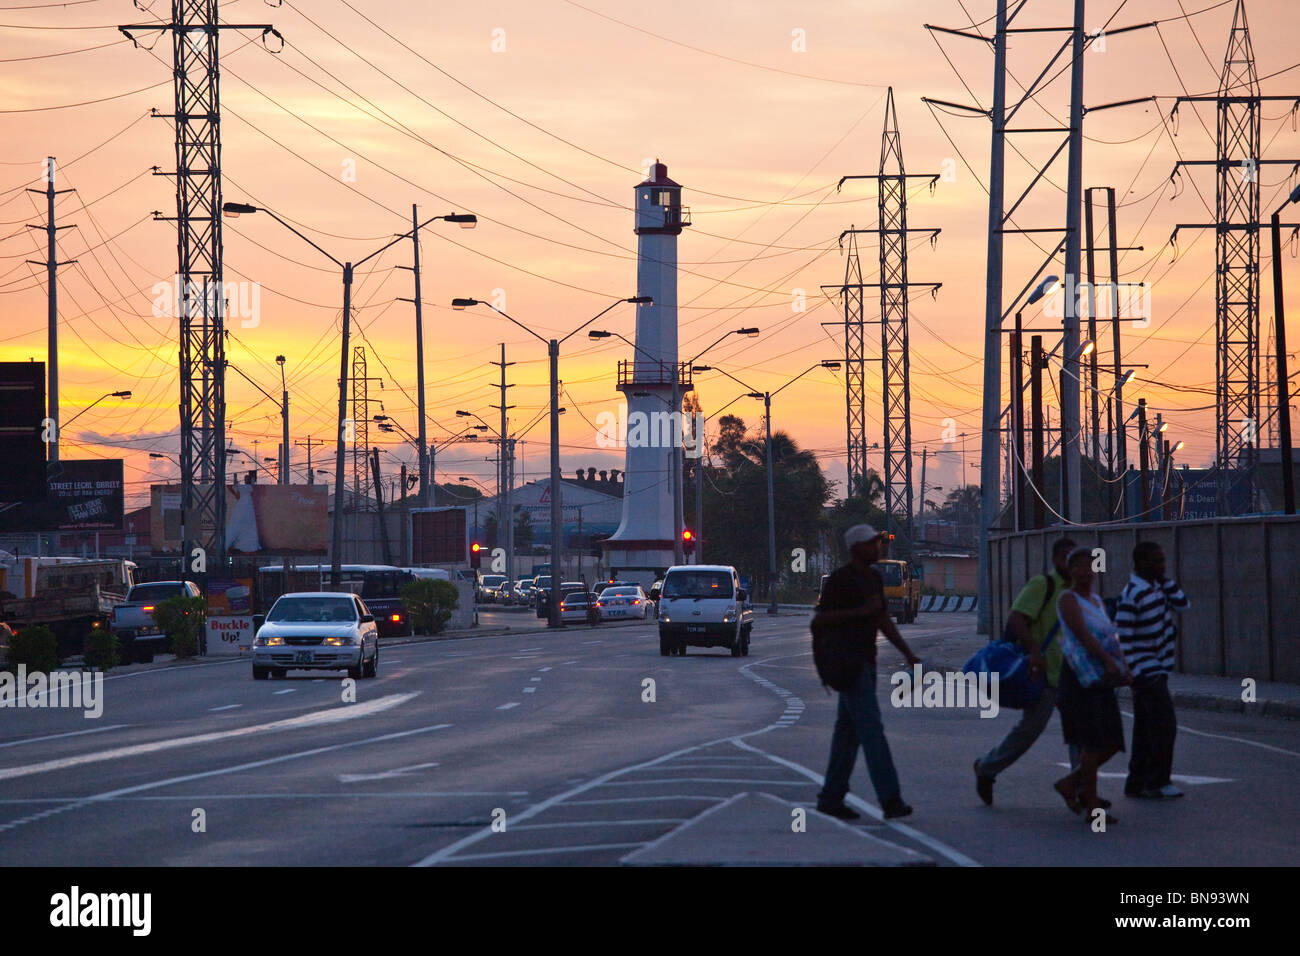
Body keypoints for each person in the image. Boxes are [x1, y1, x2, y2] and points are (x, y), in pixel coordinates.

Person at [814, 524, 922, 821]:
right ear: (856, 548)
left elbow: (882, 620)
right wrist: (859, 613)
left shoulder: (873, 579)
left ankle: (830, 798)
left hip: (866, 663)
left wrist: (907, 652)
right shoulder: (840, 581)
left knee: (846, 736)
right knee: (872, 732)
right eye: (872, 543)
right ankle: (891, 799)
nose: (878, 547)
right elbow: (821, 620)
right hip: (848, 665)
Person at [973, 537, 1075, 805]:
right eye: (1065, 557)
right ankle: (987, 767)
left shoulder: (1076, 590)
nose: (1071, 563)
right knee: (1029, 731)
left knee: (1081, 732)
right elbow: (1016, 618)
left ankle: (1080, 786)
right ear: (1055, 560)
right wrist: (1034, 652)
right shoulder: (1044, 584)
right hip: (1044, 674)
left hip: (1072, 674)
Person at [1053, 547, 1130, 824]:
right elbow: (1083, 636)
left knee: (1111, 741)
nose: (1085, 571)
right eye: (1078, 567)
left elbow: (1111, 636)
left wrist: (1123, 665)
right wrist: (1108, 661)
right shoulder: (1067, 599)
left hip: (1102, 678)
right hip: (1080, 678)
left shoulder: (1096, 601)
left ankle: (1070, 783)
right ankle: (1092, 804)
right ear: (1071, 571)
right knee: (1092, 742)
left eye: (1089, 566)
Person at [1116, 541, 1189, 799]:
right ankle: (1158, 780)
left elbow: (1182, 604)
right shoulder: (1133, 593)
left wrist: (1166, 581)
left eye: (1162, 560)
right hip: (1146, 672)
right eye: (1156, 561)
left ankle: (1136, 782)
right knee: (1164, 726)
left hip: (1159, 668)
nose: (1161, 565)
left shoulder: (1157, 589)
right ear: (1141, 563)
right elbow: (1123, 637)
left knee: (1146, 729)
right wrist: (1133, 673)